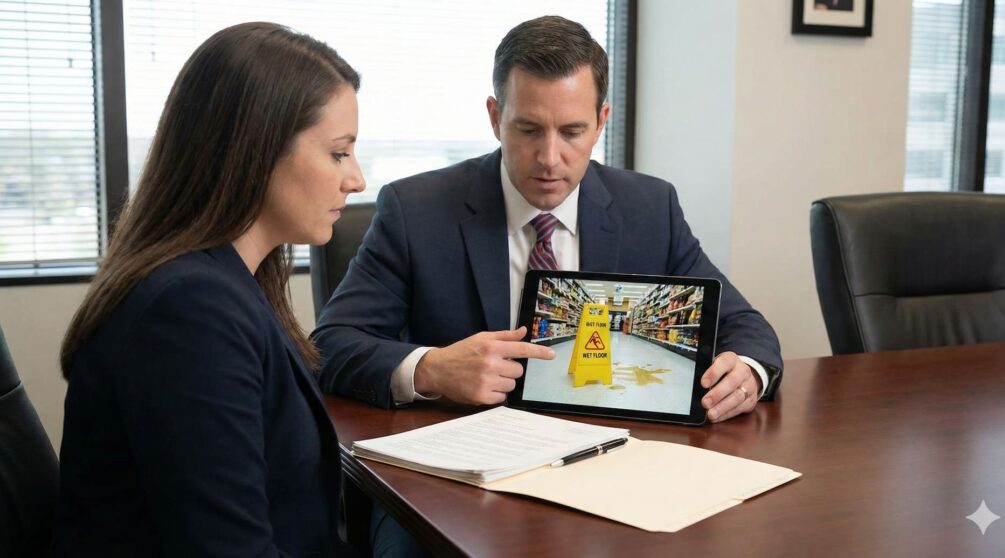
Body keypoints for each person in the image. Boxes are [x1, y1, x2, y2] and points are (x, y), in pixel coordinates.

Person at [313, 16, 782, 424]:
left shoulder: (649, 207)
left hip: (610, 456)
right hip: (459, 470)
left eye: (573, 132)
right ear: (496, 118)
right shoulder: (416, 210)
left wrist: (748, 372)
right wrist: (431, 368)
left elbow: (744, 325)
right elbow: (331, 344)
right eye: (529, 129)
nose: (550, 158)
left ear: (601, 122)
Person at [53, 22, 365, 556]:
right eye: (338, 153)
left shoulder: (227, 284)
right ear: (258, 148)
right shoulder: (187, 313)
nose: (356, 179)